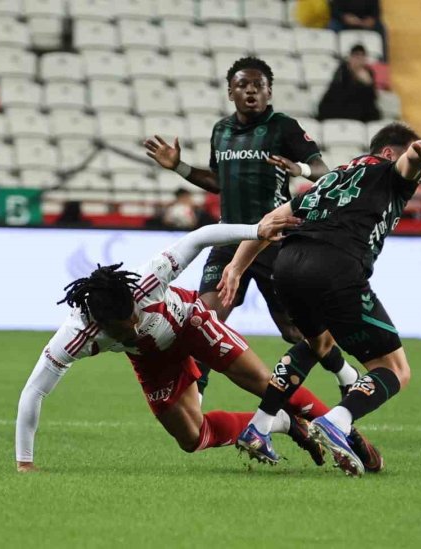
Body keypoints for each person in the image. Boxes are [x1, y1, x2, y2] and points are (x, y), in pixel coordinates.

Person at [14, 216, 333, 472]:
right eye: (123, 329)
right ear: (100, 325)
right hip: (152, 360)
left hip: (190, 323)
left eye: (133, 317)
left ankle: (343, 432)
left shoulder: (148, 280)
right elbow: (34, 390)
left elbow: (198, 237)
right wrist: (24, 462)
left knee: (265, 384)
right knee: (193, 438)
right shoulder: (77, 334)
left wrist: (256, 230)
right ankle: (286, 424)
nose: (134, 326)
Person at [218, 123, 421, 476]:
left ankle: (259, 426)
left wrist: (235, 267)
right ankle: (338, 419)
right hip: (335, 266)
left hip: (288, 266)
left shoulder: (330, 179)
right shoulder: (388, 171)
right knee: (394, 369)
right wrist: (418, 154)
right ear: (387, 153)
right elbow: (408, 164)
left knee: (318, 341)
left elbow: (272, 220)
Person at [143, 57, 364, 416]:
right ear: (231, 91)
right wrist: (180, 167)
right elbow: (219, 181)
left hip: (275, 240)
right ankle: (197, 399)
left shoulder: (284, 128)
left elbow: (325, 172)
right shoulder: (222, 131)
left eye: (258, 86)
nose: (250, 91)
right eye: (243, 85)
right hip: (229, 236)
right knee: (205, 320)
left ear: (268, 92)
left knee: (296, 331)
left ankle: (344, 372)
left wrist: (301, 169)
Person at [318, 44, 381, 122]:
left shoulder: (368, 73)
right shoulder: (341, 71)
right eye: (356, 57)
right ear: (350, 58)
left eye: (362, 58)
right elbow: (338, 93)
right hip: (341, 107)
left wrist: (368, 84)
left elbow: (373, 97)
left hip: (360, 109)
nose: (359, 61)